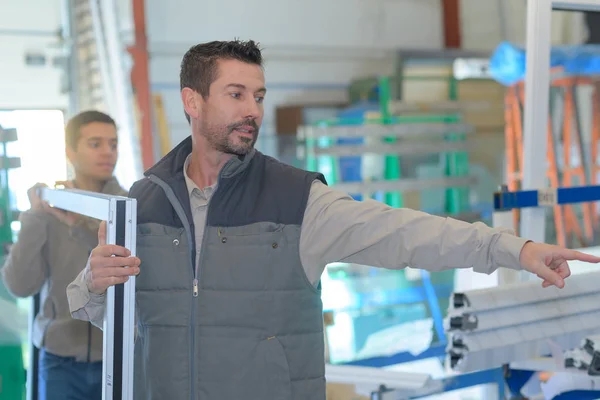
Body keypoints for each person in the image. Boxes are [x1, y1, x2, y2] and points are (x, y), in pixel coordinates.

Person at [66, 40, 600, 400]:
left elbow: (408, 233)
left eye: (258, 96)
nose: (252, 108)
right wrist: (93, 282)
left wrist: (515, 250)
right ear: (192, 101)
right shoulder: (144, 203)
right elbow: (119, 321)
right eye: (236, 94)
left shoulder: (297, 199)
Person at [1, 110, 128, 400]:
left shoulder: (131, 207)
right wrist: (33, 216)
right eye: (95, 143)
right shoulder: (48, 211)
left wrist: (80, 225)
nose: (108, 152)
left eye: (113, 143)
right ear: (70, 150)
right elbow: (19, 285)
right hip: (60, 361)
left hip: (119, 357)